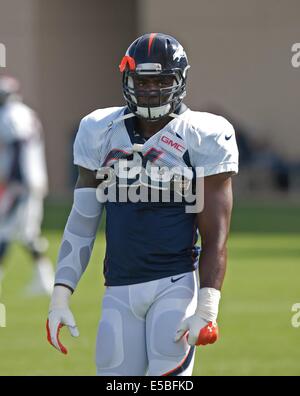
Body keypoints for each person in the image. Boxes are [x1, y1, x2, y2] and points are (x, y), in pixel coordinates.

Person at [46, 33, 239, 376]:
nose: (151, 89)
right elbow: (82, 221)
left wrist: (208, 307)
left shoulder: (202, 133)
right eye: (143, 80)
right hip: (118, 287)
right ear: (127, 79)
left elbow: (216, 236)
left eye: (162, 80)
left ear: (180, 81)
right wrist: (61, 293)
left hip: (174, 285)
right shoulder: (99, 129)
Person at [0, 75, 54, 295]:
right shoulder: (26, 112)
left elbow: (19, 146)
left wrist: (15, 179)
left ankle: (44, 279)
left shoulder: (10, 115)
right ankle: (44, 279)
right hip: (33, 179)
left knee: (4, 229)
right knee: (28, 232)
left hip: (21, 182)